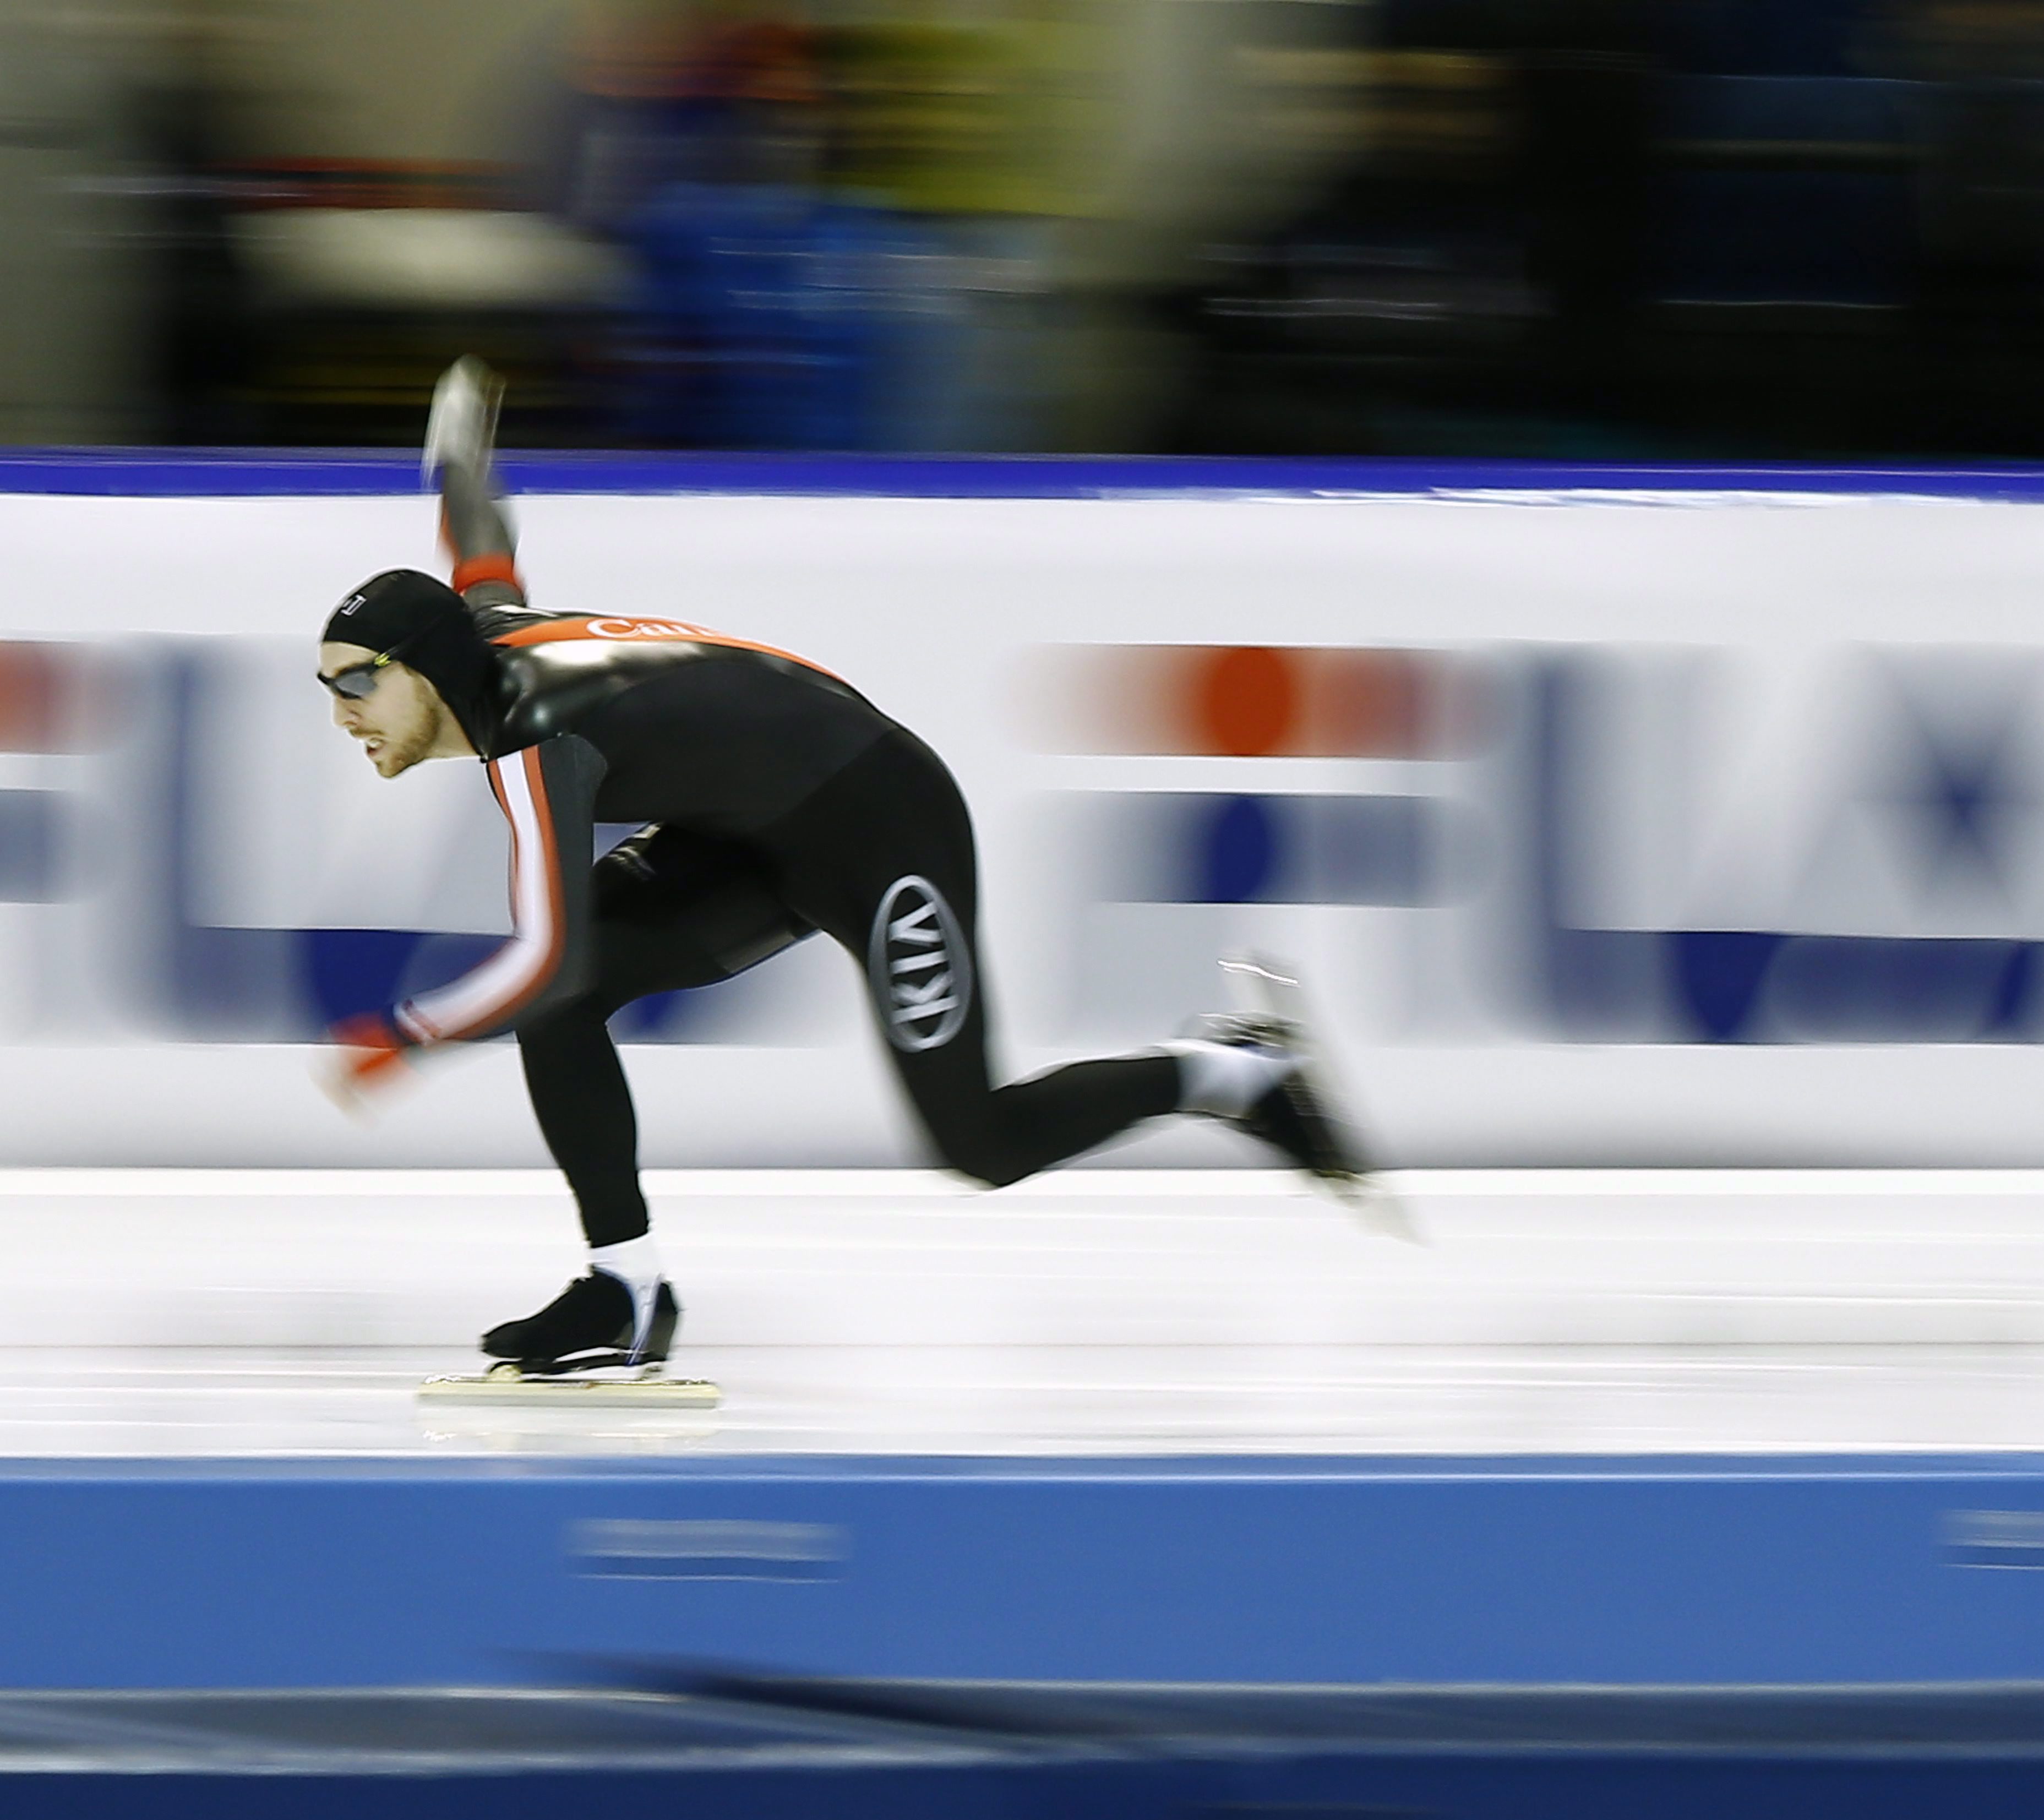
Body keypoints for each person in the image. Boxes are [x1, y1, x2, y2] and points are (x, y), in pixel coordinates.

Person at [317, 359, 1373, 1376]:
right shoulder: (483, 633)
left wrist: (407, 1035)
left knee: (982, 1141)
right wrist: (458, 457)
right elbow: (482, 547)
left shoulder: (539, 740)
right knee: (567, 999)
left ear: (423, 670)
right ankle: (625, 1286)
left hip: (881, 826)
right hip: (740, 833)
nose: (342, 712)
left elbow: (543, 951)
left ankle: (1237, 1071)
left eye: (357, 682)